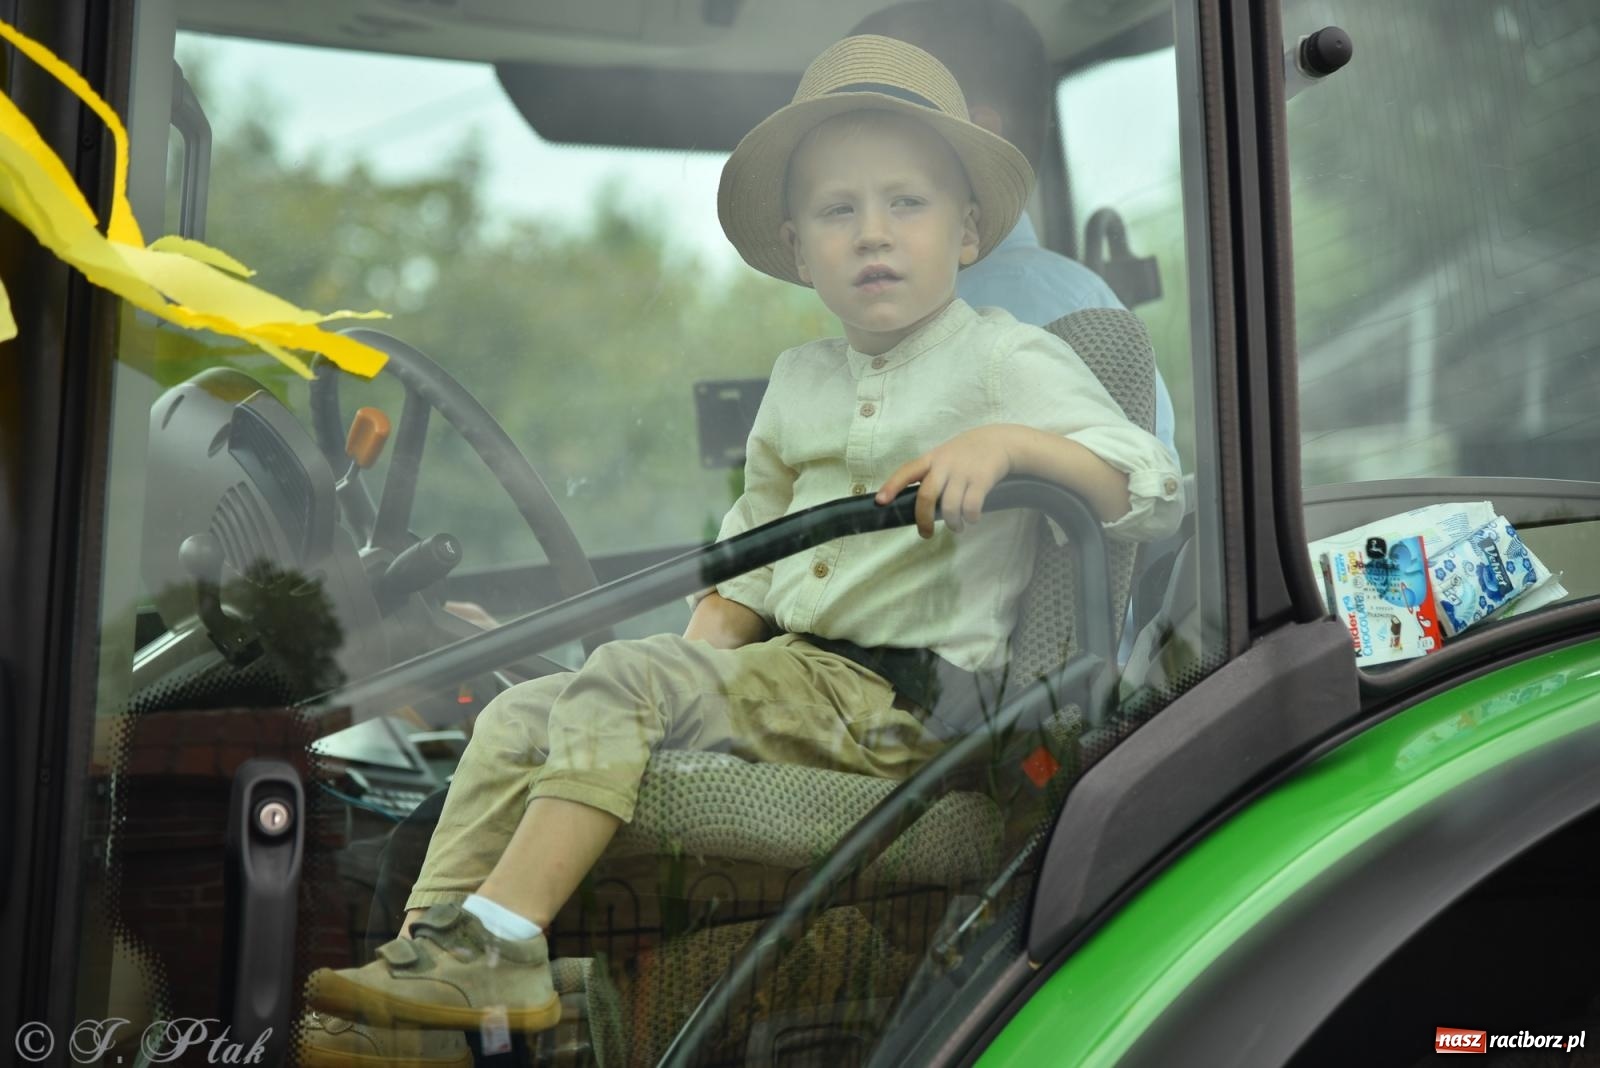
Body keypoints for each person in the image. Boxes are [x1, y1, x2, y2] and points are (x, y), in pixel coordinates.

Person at [300, 34, 1182, 1063]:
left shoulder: (1008, 359)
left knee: (621, 684)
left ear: (969, 228)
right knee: (514, 715)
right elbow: (744, 567)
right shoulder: (798, 378)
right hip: (783, 683)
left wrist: (1015, 445)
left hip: (900, 709)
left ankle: (501, 941)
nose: (873, 234)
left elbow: (1147, 482)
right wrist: (640, 687)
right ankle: (427, 984)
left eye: (907, 203)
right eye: (838, 212)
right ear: (799, 247)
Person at [852, 0, 1179, 463]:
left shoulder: (1007, 308)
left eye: (871, 119)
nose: (841, 147)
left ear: (972, 139)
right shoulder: (912, 299)